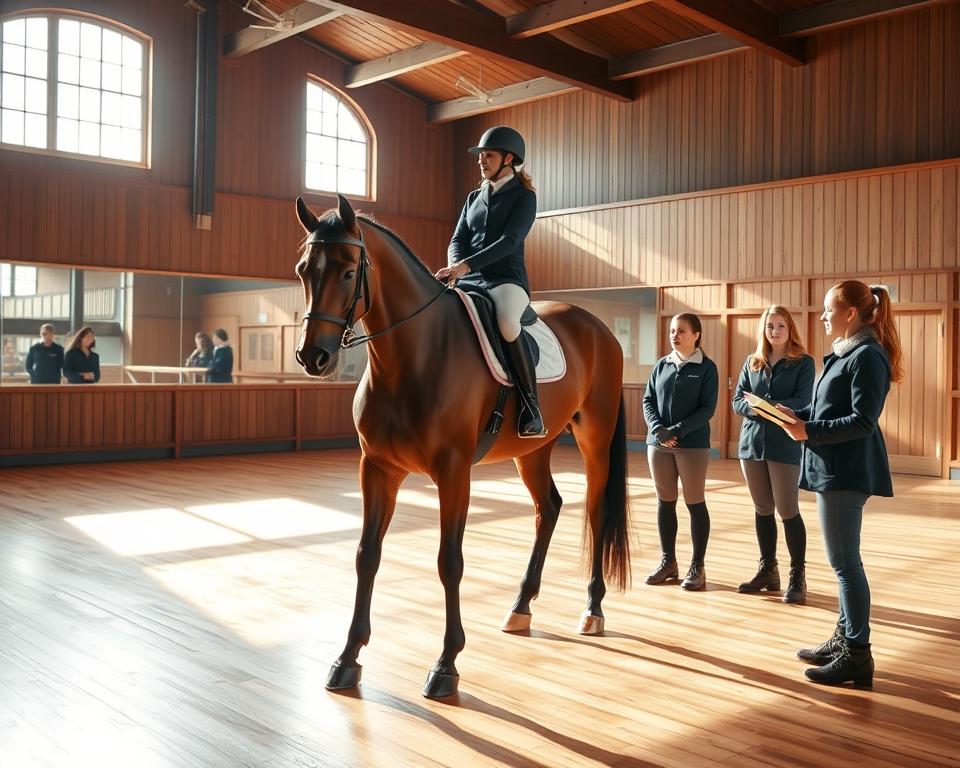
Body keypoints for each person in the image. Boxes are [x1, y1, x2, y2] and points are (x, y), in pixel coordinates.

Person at [777, 281, 903, 688]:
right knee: (843, 563)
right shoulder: (847, 353)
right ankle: (844, 637)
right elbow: (827, 407)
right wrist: (794, 414)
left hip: (845, 471)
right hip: (833, 467)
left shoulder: (867, 356)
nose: (823, 315)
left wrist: (807, 430)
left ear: (851, 313)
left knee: (846, 565)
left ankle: (857, 655)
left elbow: (862, 421)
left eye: (829, 309)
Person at [435, 125, 544, 438]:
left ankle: (531, 406)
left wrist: (465, 266)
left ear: (508, 159)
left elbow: (510, 241)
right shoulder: (473, 197)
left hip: (506, 280)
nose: (481, 161)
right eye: (480, 156)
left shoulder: (524, 197)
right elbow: (458, 238)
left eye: (488, 156)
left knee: (508, 324)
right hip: (469, 278)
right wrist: (455, 265)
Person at [732, 306, 815, 604]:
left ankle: (797, 576)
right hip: (751, 445)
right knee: (762, 508)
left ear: (790, 328)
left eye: (781, 325)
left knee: (787, 509)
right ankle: (768, 570)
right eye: (770, 325)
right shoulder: (752, 362)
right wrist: (755, 407)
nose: (775, 330)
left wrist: (765, 407)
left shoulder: (803, 363)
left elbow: (803, 401)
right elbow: (737, 400)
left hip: (784, 445)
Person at [642, 313, 719, 590]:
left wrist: (675, 430)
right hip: (658, 445)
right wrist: (657, 429)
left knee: (695, 503)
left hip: (692, 447)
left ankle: (697, 567)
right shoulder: (661, 365)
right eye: (672, 331)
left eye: (681, 331)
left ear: (696, 334)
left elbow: (706, 409)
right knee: (665, 502)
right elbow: (648, 399)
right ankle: (668, 562)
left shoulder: (707, 368)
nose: (675, 335)